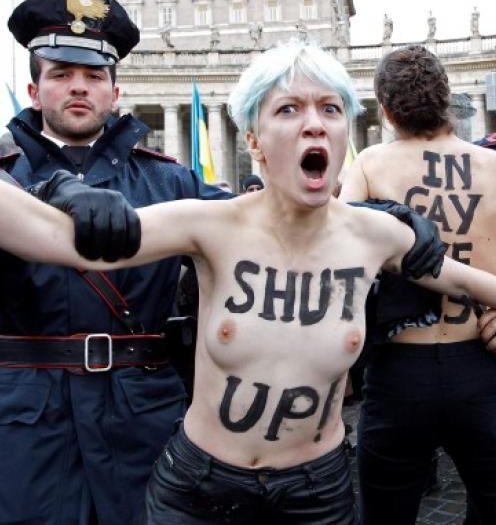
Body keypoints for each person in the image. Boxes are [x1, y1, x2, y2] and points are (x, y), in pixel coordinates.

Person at [5, 41, 496, 524]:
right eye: (287, 109)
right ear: (254, 140)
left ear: (348, 131)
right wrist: (52, 185)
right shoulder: (209, 223)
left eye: (330, 108)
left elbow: (477, 284)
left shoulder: (382, 234)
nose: (313, 123)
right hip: (198, 488)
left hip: (318, 492)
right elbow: (55, 237)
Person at [0, 0, 229, 525]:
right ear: (34, 91)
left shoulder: (170, 179)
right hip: (25, 421)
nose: (78, 87)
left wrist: (381, 213)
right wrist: (41, 197)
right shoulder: (3, 177)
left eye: (93, 76)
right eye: (60, 74)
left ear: (115, 92)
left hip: (141, 417)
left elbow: (267, 222)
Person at [339, 44, 496, 525]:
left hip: (399, 371)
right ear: (448, 99)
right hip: (483, 365)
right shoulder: (493, 168)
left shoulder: (368, 164)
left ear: (384, 110)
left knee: (387, 511)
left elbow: (338, 263)